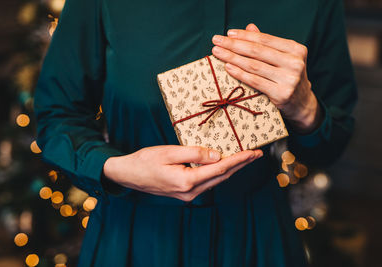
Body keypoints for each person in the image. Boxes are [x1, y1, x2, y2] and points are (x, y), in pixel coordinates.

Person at [34, 0, 357, 266]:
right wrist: (115, 168)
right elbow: (57, 117)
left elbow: (331, 144)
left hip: (257, 237)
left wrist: (304, 107)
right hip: (134, 237)